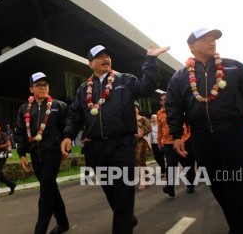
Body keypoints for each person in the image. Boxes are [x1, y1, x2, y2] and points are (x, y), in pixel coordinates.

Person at [167, 28, 243, 233]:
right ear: (192, 46)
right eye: (206, 39)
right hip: (202, 137)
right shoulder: (179, 77)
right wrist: (176, 135)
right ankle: (236, 224)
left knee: (238, 185)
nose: (212, 42)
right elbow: (173, 107)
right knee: (218, 185)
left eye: (213, 39)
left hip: (234, 133)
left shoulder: (235, 68)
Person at [61, 43, 170, 233]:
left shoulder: (125, 80)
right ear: (90, 63)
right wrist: (68, 135)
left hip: (122, 145)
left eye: (107, 55)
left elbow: (147, 86)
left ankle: (123, 224)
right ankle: (128, 218)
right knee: (110, 190)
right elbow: (74, 115)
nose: (106, 59)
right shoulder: (83, 90)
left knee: (123, 193)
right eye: (100, 56)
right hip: (96, 149)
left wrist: (151, 60)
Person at [14, 72, 70, 234]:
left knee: (45, 192)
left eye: (45, 84)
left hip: (53, 154)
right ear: (31, 89)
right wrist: (22, 154)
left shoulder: (58, 106)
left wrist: (65, 144)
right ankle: (63, 223)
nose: (43, 87)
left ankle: (40, 230)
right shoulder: (24, 109)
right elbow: (20, 132)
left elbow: (69, 126)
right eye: (39, 85)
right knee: (51, 188)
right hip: (35, 156)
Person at [156, 93, 195, 197]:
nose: (165, 101)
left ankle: (190, 184)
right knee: (171, 165)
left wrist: (190, 136)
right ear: (160, 102)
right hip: (168, 143)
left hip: (183, 140)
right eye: (163, 99)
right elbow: (159, 129)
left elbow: (188, 123)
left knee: (187, 163)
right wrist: (159, 142)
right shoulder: (159, 113)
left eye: (167, 98)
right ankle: (170, 187)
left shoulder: (178, 108)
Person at [134, 102, 152, 190]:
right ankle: (147, 175)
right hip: (132, 142)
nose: (133, 109)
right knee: (139, 161)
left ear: (138, 109)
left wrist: (142, 134)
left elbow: (150, 129)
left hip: (142, 140)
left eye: (135, 107)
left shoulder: (142, 118)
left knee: (139, 157)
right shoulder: (128, 120)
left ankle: (143, 182)